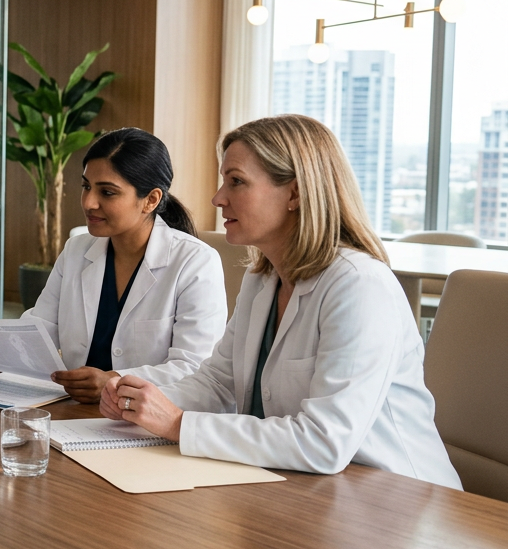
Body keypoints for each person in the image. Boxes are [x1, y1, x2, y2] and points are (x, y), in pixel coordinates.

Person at [101, 115, 462, 487]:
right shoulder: (263, 279)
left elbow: (324, 442)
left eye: (236, 181)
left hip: (397, 500)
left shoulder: (359, 286)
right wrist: (139, 402)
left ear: (295, 194)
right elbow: (219, 384)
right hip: (304, 487)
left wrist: (177, 423)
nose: (218, 198)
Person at [0, 127, 227, 402]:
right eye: (86, 186)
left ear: (151, 200)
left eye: (107, 192)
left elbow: (196, 368)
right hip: (73, 411)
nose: (89, 202)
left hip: (144, 418)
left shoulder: (195, 262)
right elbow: (39, 329)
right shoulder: (77, 250)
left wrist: (114, 381)